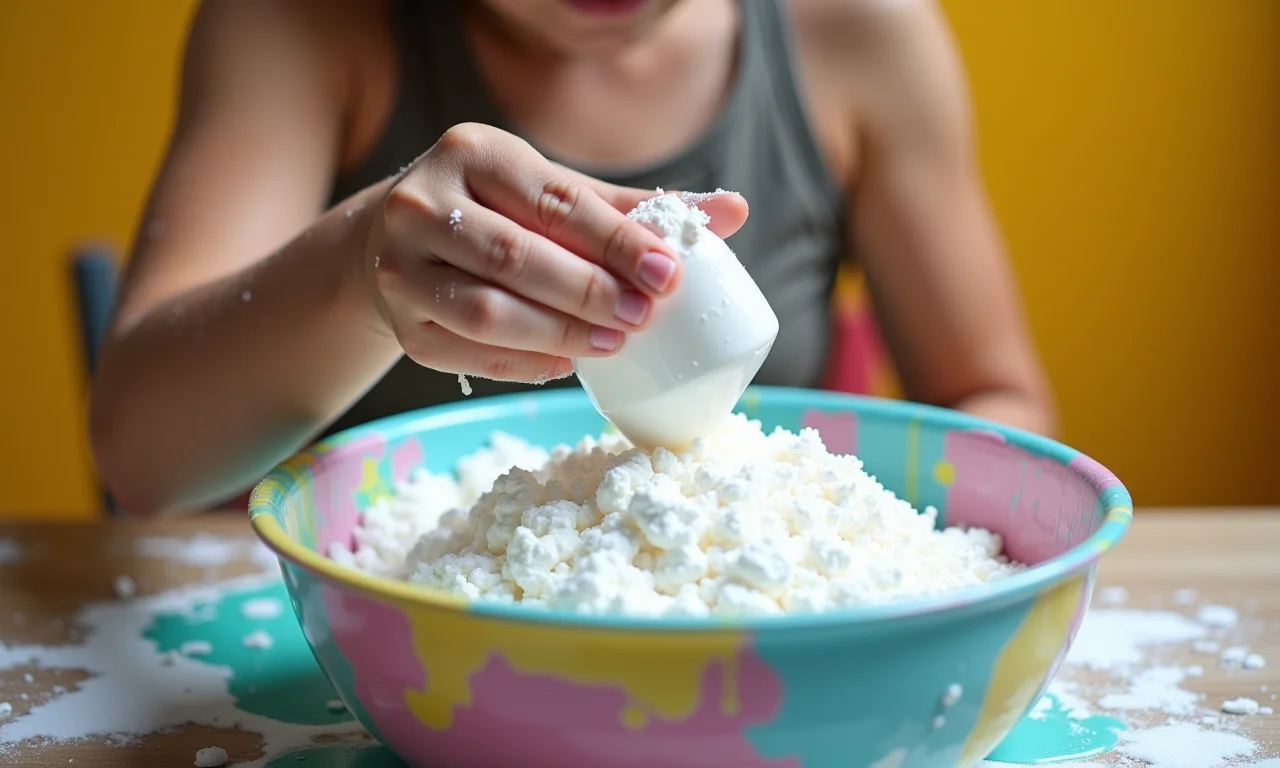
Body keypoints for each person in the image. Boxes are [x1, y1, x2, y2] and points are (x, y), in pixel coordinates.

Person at [90, 0, 1055, 517]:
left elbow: (998, 402)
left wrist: (833, 525)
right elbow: (142, 459)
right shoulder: (305, 26)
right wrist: (357, 272)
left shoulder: (860, 33)